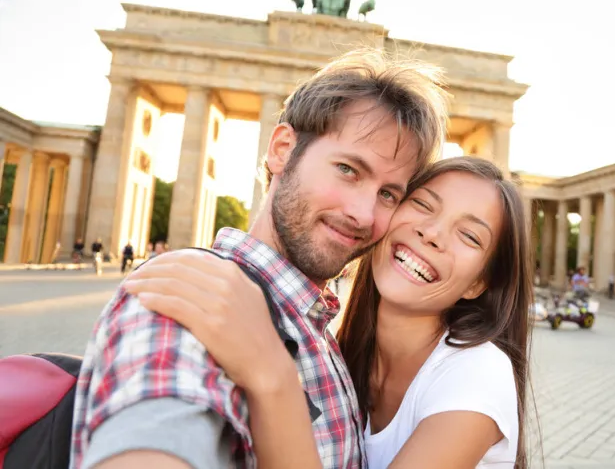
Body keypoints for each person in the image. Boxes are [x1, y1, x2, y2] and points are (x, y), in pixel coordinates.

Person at [69, 48, 449, 469]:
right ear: (283, 149)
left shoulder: (318, 326)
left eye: (388, 194)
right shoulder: (186, 302)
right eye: (347, 170)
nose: (363, 213)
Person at [124, 157, 531, 468]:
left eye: (469, 235)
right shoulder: (340, 353)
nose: (433, 233)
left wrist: (271, 372)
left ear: (480, 283)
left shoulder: (477, 373)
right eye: (423, 204)